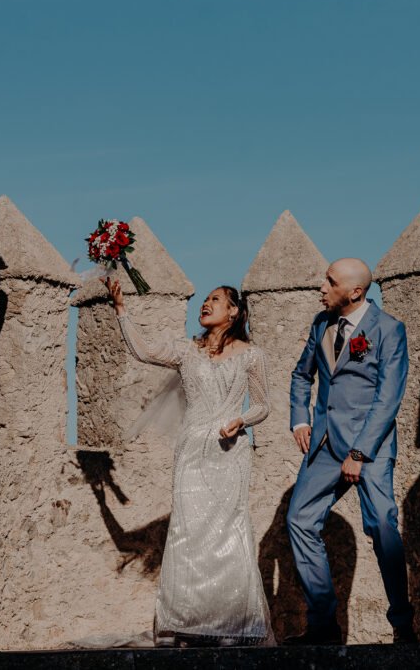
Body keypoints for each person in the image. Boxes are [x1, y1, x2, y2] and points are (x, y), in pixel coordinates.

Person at [103, 277, 276, 647]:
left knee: (230, 530)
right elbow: (143, 351)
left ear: (234, 311)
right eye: (205, 299)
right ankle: (183, 622)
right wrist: (121, 310)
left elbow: (263, 405)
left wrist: (241, 420)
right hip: (192, 451)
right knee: (186, 532)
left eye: (215, 299)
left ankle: (234, 623)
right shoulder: (186, 351)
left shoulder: (252, 355)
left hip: (229, 452)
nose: (205, 304)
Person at [284, 258, 416, 645]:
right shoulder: (320, 324)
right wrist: (300, 420)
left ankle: (402, 624)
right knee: (300, 519)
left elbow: (388, 398)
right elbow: (301, 375)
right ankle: (323, 625)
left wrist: (358, 454)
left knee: (382, 526)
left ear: (355, 291)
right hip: (325, 443)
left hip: (369, 446)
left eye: (330, 282)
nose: (321, 288)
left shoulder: (389, 329)